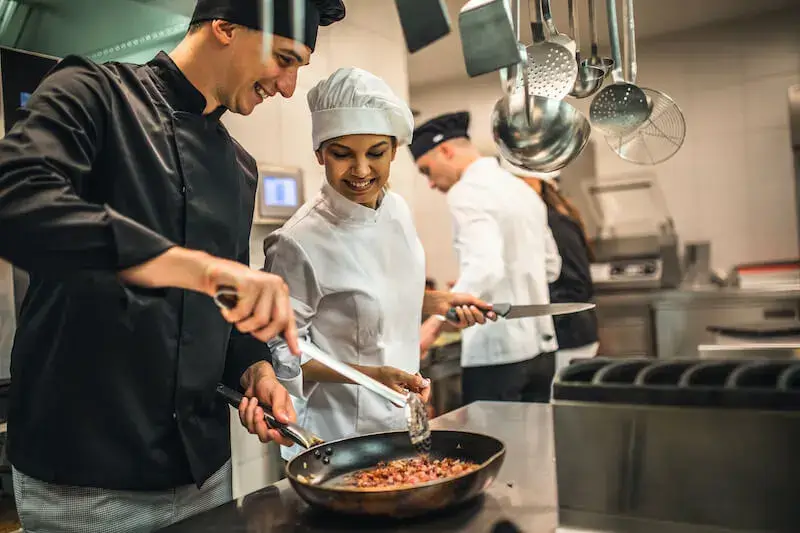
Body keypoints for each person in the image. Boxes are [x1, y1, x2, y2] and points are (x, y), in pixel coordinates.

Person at [0, 0, 347, 531]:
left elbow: (227, 314)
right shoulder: (93, 94)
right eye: (283, 58)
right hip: (84, 482)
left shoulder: (238, 167)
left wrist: (253, 370)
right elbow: (16, 198)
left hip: (205, 475)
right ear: (225, 27)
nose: (287, 88)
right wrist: (199, 269)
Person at [264, 68, 493, 461]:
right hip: (337, 438)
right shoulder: (296, 241)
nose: (362, 170)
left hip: (404, 420)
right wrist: (375, 378)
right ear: (320, 153)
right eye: (342, 154)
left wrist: (438, 303)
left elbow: (380, 288)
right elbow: (282, 352)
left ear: (392, 150)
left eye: (375, 153)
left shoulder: (397, 210)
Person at [411, 111, 562, 404]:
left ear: (446, 151)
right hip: (542, 352)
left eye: (426, 170)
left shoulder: (466, 192)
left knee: (492, 447)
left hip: (497, 355)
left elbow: (486, 267)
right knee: (535, 445)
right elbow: (551, 267)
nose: (430, 183)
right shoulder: (522, 188)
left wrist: (431, 325)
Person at [499, 159, 600, 373]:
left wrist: (529, 303)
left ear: (535, 183)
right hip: (555, 336)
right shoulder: (536, 221)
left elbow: (579, 287)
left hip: (571, 337)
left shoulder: (557, 223)